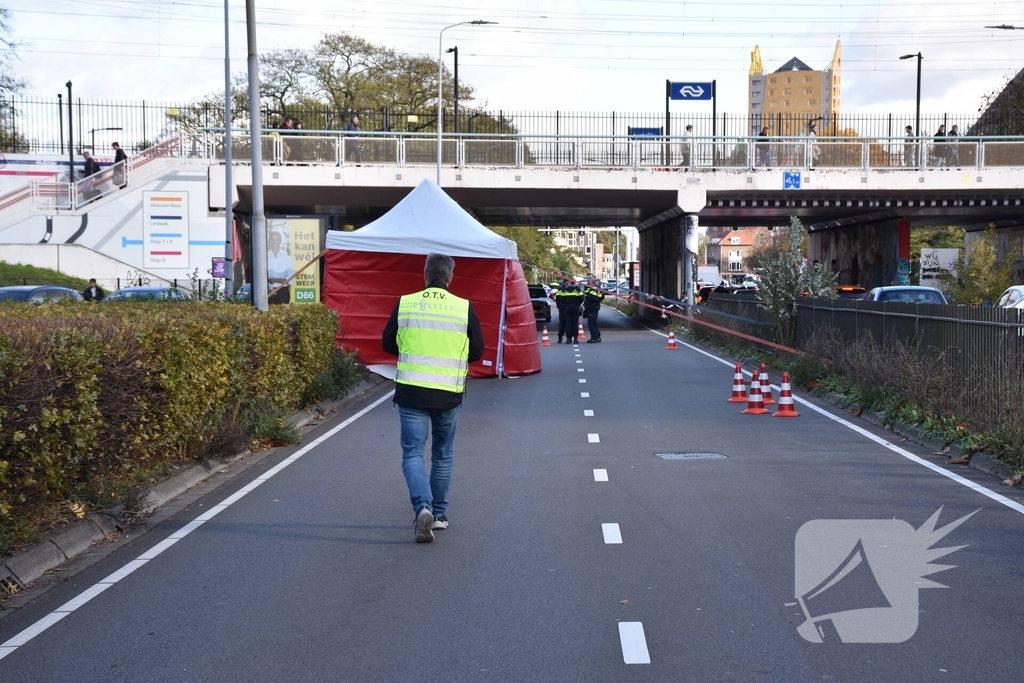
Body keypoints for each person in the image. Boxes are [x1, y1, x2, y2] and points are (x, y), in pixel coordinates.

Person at [381, 253, 484, 543]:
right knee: (443, 454)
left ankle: (422, 506)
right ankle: (438, 515)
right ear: (451, 277)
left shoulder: (407, 303)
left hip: (412, 390)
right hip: (448, 394)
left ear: (425, 275)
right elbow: (477, 350)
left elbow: (387, 343)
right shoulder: (464, 308)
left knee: (413, 453)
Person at [267, 229, 294, 304]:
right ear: (269, 241)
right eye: (273, 240)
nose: (275, 242)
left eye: (277, 240)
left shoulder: (287, 258)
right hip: (268, 291)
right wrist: (268, 287)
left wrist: (276, 280)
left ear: (280, 242)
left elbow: (292, 278)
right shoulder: (264, 257)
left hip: (283, 293)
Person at [582, 277, 605, 343]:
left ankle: (594, 337)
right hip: (592, 307)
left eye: (590, 283)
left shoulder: (595, 290)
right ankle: (597, 337)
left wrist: (587, 296)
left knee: (591, 323)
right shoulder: (592, 290)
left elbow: (596, 299)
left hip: (592, 308)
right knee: (594, 323)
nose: (588, 284)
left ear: (593, 283)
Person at [553, 279, 569, 343]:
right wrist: (559, 307)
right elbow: (558, 299)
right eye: (568, 282)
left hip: (567, 307)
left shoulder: (570, 288)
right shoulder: (561, 289)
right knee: (562, 323)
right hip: (563, 308)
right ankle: (560, 337)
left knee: (568, 323)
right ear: (565, 283)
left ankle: (568, 337)